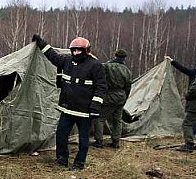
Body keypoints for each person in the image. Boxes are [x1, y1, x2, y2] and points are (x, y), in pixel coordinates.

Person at [32, 34, 107, 170]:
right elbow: (52, 56)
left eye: (79, 50)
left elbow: (101, 87)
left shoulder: (96, 66)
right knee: (61, 134)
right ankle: (62, 159)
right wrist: (41, 42)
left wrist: (95, 107)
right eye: (73, 50)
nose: (76, 53)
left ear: (86, 51)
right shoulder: (67, 60)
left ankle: (79, 164)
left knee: (83, 140)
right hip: (67, 109)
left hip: (85, 112)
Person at [92, 49, 132, 148]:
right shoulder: (127, 70)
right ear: (124, 58)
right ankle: (116, 142)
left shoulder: (107, 66)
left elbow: (100, 79)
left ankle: (99, 141)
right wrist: (124, 98)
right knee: (117, 120)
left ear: (115, 55)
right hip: (121, 97)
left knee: (99, 118)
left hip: (109, 96)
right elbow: (128, 86)